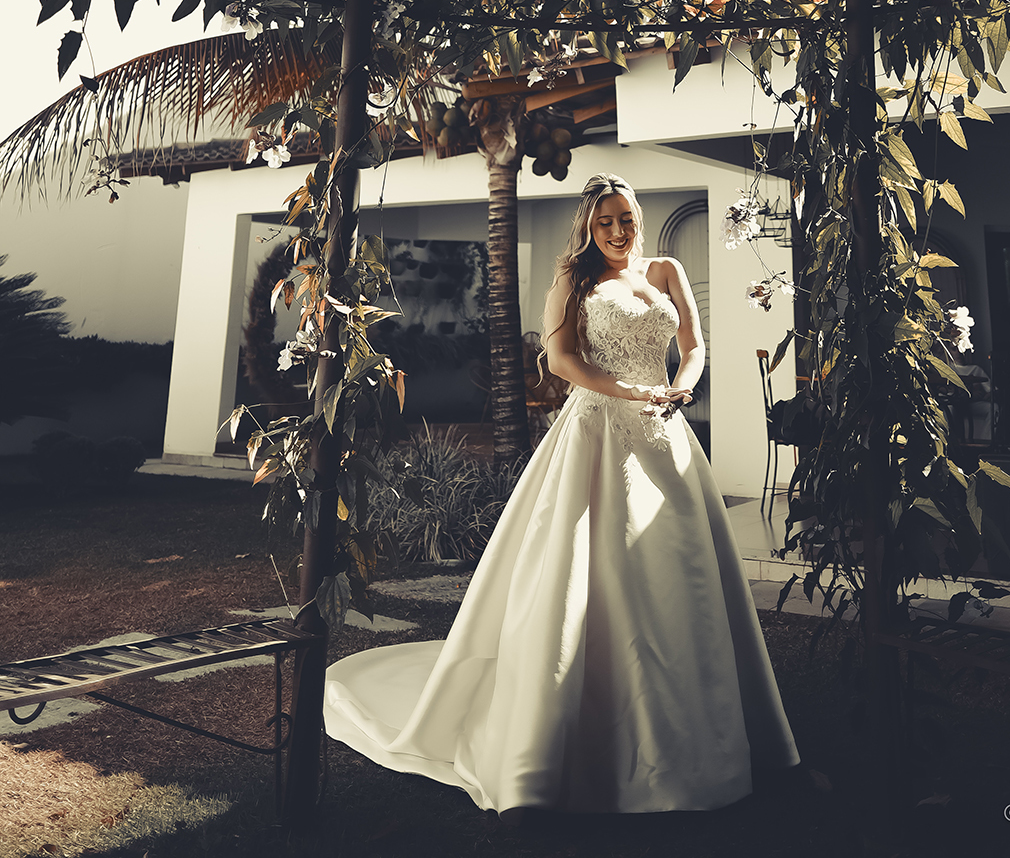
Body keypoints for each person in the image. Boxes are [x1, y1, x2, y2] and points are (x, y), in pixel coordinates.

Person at [324, 173, 800, 817]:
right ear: (588, 227)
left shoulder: (666, 271)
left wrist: (682, 386)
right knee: (592, 567)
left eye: (625, 218)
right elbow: (562, 363)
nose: (617, 231)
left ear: (638, 217)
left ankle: (694, 722)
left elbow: (693, 344)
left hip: (666, 431)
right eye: (604, 222)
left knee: (679, 569)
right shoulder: (573, 281)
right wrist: (633, 392)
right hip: (599, 428)